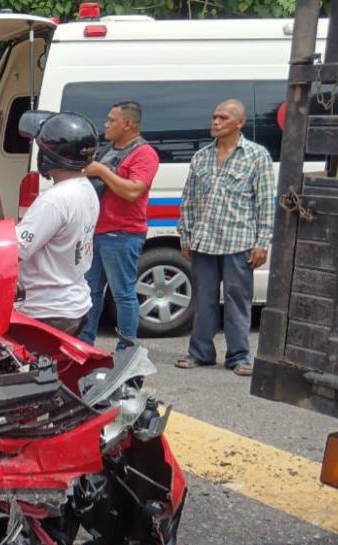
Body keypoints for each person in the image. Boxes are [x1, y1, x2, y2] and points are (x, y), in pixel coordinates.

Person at [0, 112, 100, 335]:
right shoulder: (85, 188)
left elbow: (12, 249)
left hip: (46, 311)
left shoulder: (55, 200)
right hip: (71, 304)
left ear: (49, 156)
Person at [175, 99, 274, 376]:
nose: (215, 122)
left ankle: (240, 357)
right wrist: (186, 236)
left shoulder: (257, 156)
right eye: (214, 116)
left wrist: (262, 242)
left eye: (223, 118)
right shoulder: (201, 156)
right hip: (204, 242)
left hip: (239, 243)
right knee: (204, 300)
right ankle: (200, 353)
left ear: (239, 123)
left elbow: (266, 202)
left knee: (237, 301)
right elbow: (189, 199)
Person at [79, 101, 159, 348]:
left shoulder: (144, 153)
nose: (106, 124)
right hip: (96, 233)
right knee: (89, 292)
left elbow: (134, 191)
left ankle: (126, 349)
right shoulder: (108, 149)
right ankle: (84, 343)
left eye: (111, 120)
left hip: (123, 235)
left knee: (122, 294)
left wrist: (102, 171)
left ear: (128, 123)